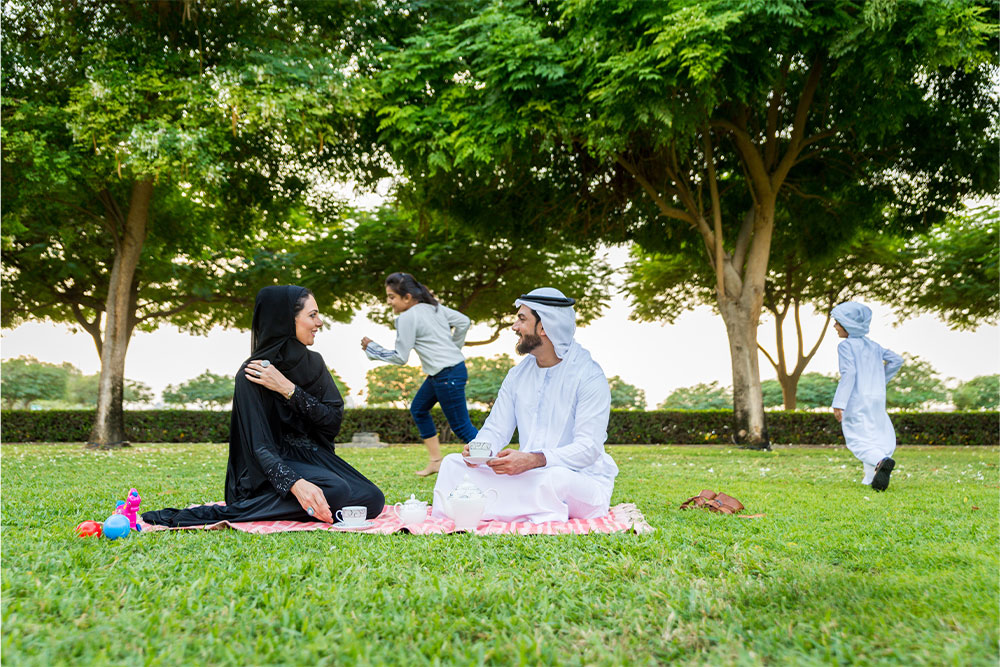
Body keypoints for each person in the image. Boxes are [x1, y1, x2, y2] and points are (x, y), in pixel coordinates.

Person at [143, 285, 385, 527]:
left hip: (309, 458)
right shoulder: (251, 374)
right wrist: (295, 483)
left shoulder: (315, 363)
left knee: (372, 498)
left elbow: (331, 421)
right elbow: (260, 448)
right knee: (336, 490)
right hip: (262, 472)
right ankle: (239, 510)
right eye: (312, 315)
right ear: (286, 320)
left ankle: (294, 503)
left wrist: (288, 389)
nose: (319, 322)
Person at [431, 287, 618, 523]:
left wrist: (535, 459)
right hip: (525, 474)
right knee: (453, 464)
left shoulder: (588, 375)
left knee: (554, 480)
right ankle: (519, 509)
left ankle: (488, 508)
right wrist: (479, 451)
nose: (514, 327)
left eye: (522, 319)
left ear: (543, 327)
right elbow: (496, 430)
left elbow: (588, 448)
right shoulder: (518, 374)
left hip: (578, 479)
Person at [361, 272, 479, 477]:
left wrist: (372, 347)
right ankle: (435, 461)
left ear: (407, 297)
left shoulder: (407, 317)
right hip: (446, 371)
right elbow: (464, 322)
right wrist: (454, 346)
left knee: (462, 427)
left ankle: (494, 462)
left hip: (447, 375)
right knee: (418, 408)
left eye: (391, 297)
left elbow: (400, 357)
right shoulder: (435, 308)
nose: (389, 302)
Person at [831, 301, 904, 492]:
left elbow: (849, 374)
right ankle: (869, 478)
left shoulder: (846, 346)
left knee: (858, 438)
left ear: (848, 324)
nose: (835, 326)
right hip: (876, 398)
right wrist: (880, 380)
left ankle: (881, 461)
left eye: (838, 322)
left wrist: (839, 403)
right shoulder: (874, 346)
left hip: (856, 399)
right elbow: (897, 360)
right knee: (874, 436)